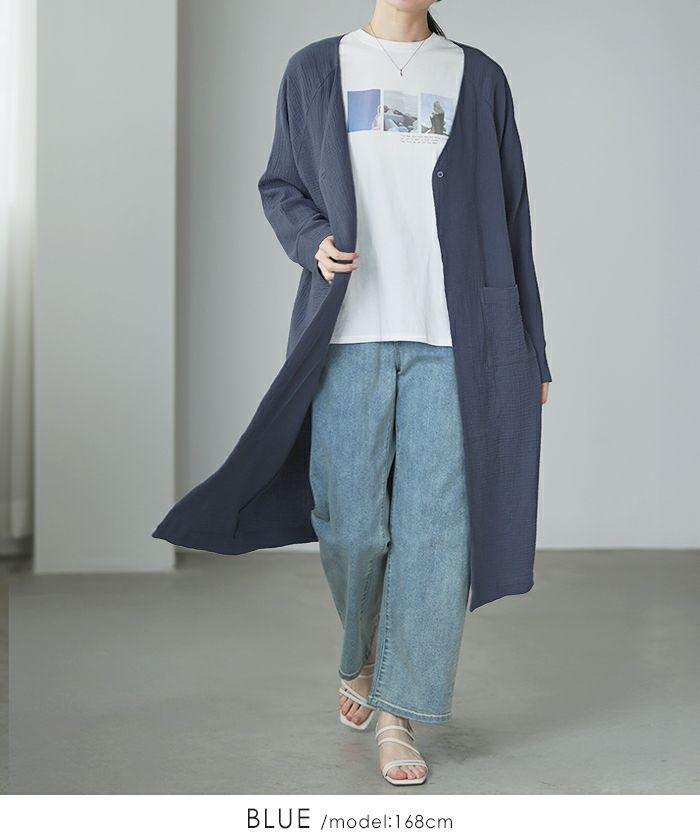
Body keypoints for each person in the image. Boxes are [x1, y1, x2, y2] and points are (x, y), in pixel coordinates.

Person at [154, 0, 552, 788]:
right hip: (349, 335)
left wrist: (530, 349)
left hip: (456, 340)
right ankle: (362, 656)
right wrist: (313, 242)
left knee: (438, 533)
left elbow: (513, 219)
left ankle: (399, 715)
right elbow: (280, 185)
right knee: (353, 526)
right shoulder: (316, 69)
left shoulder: (479, 77)